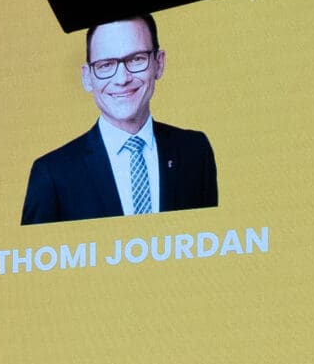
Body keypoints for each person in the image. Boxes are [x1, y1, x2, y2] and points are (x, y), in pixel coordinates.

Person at [21, 14, 218, 225]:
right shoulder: (52, 174)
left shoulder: (195, 151)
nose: (122, 79)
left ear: (159, 63)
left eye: (136, 59)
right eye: (105, 65)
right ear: (87, 77)